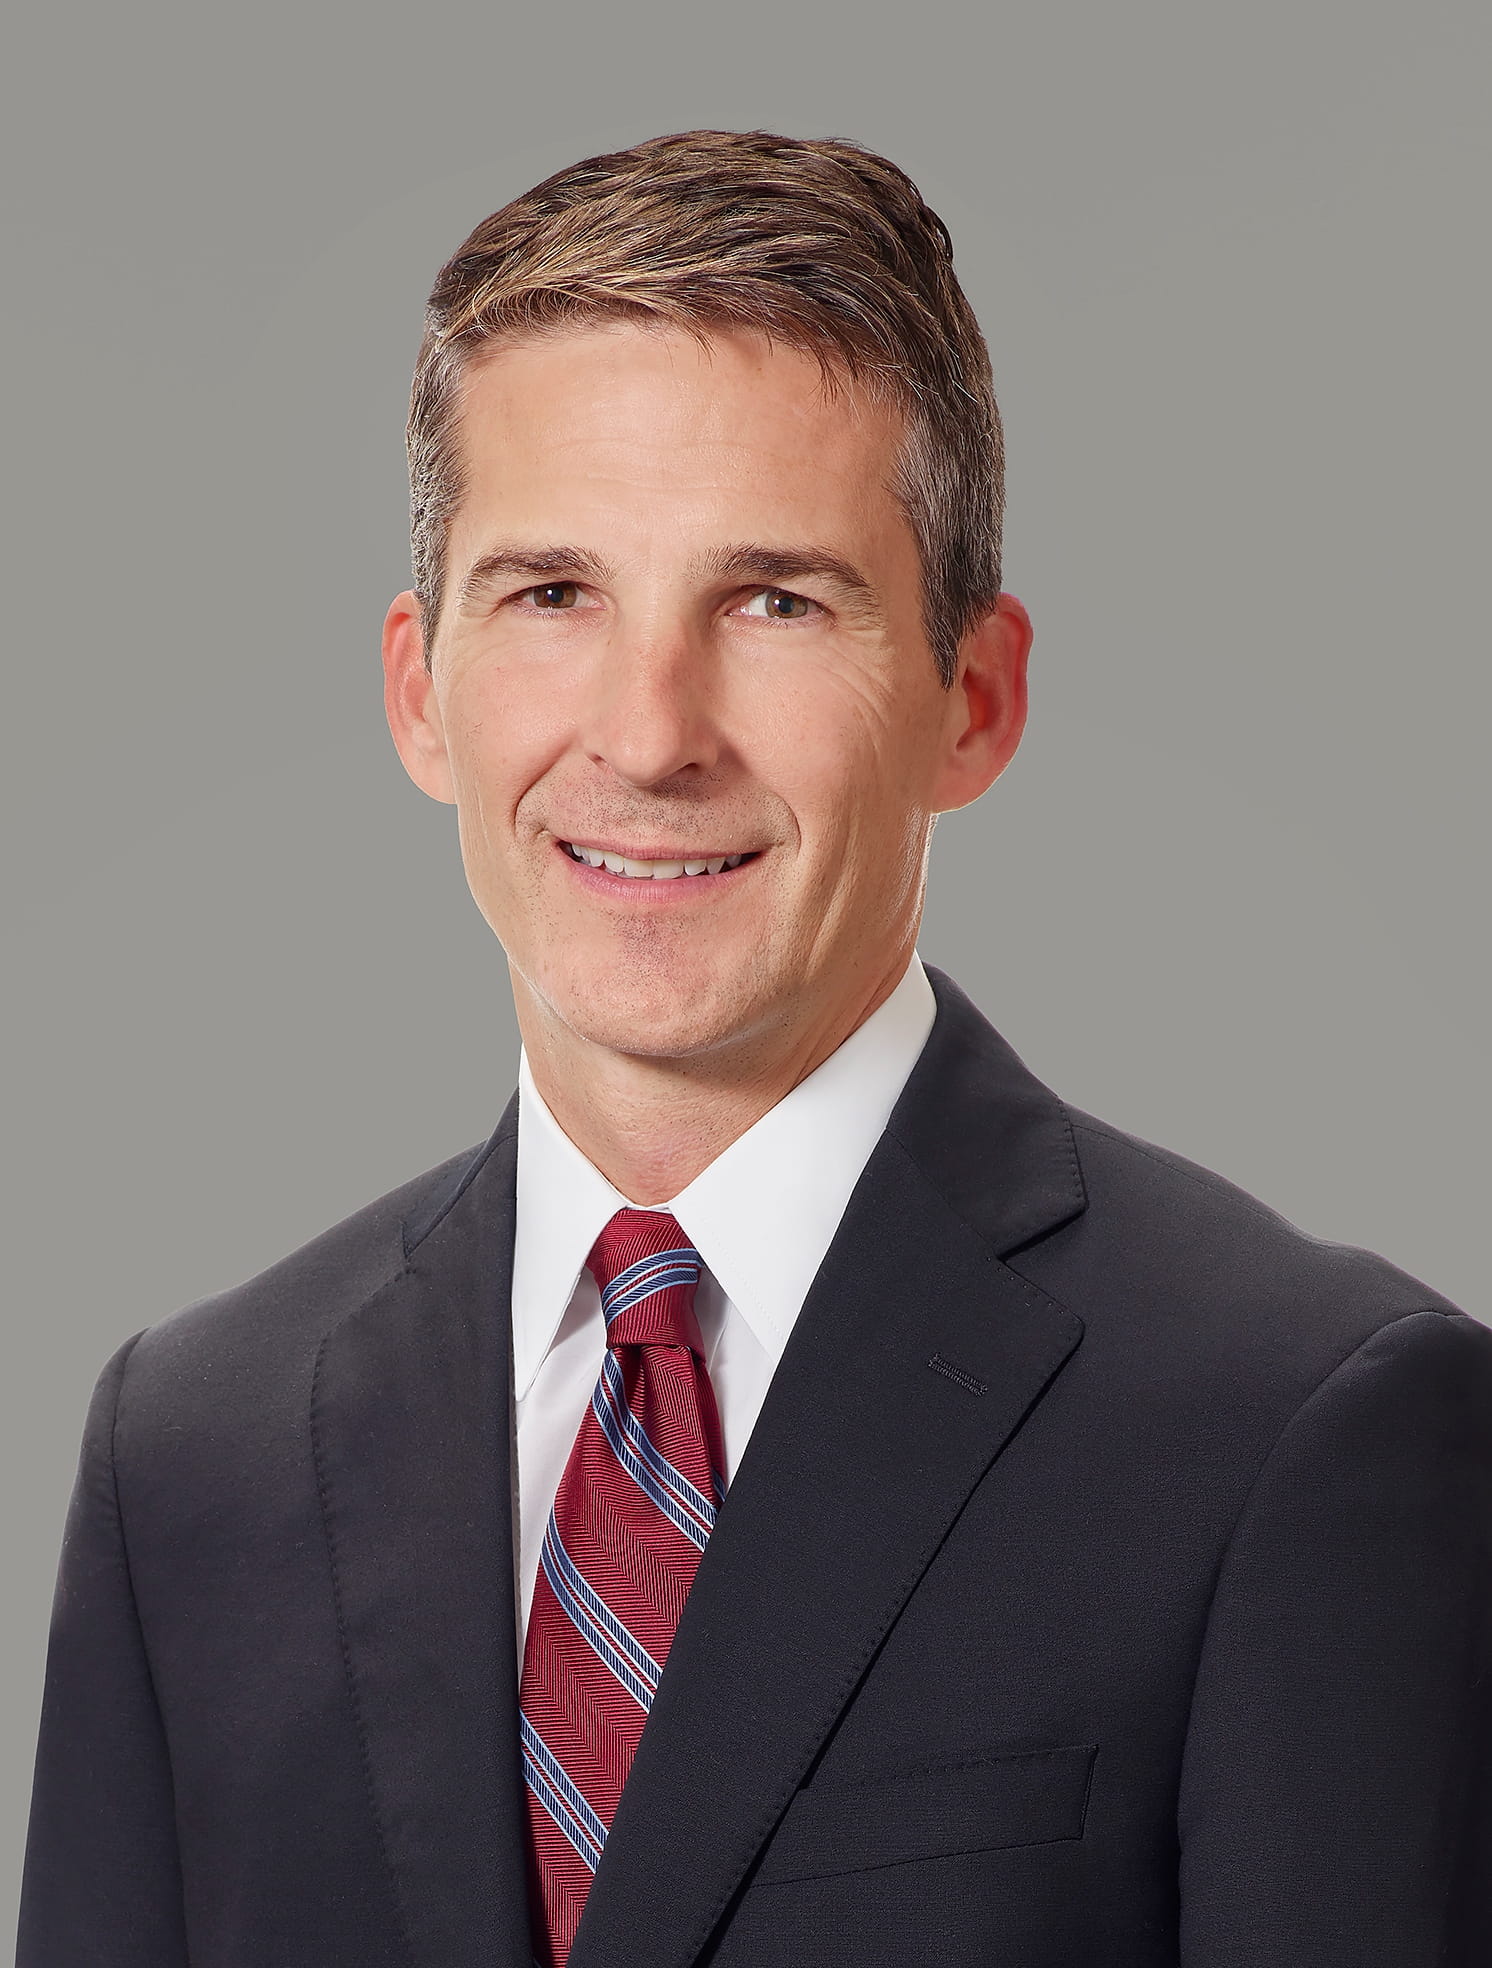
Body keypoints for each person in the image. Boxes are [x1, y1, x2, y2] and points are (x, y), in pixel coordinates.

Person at [17, 128, 1491, 1968]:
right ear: (420, 689)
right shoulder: (194, 1456)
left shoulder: (1301, 1428)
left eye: (775, 600)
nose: (651, 736)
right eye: (553, 593)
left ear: (974, 700)